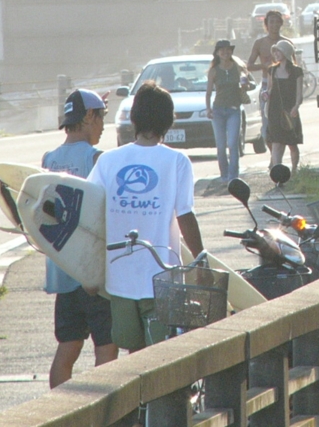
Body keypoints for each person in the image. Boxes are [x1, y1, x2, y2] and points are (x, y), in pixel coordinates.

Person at [87, 82, 204, 352]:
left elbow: (91, 214)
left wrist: (89, 269)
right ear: (169, 120)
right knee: (161, 357)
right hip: (163, 277)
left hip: (120, 275)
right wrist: (200, 261)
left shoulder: (108, 160)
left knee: (132, 354)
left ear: (133, 118)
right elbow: (185, 216)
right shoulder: (177, 161)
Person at [43, 89, 118, 387]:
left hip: (62, 271)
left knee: (68, 348)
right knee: (107, 349)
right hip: (93, 276)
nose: (103, 126)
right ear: (89, 117)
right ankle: (103, 416)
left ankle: (59, 415)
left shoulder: (48, 159)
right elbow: (103, 215)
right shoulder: (96, 158)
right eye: (101, 118)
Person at [205, 39, 249, 182]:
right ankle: (224, 175)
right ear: (217, 53)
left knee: (232, 143)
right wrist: (208, 109)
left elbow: (245, 83)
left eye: (228, 49)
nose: (225, 52)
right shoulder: (213, 70)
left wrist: (244, 85)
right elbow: (208, 92)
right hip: (218, 110)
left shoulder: (238, 67)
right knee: (221, 145)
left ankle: (233, 176)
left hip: (234, 110)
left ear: (231, 51)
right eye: (222, 50)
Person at [248, 10, 288, 151]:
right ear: (266, 24)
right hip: (266, 86)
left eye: (277, 22)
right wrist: (263, 66)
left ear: (281, 24)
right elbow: (249, 65)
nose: (274, 25)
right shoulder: (260, 43)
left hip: (283, 85)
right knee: (266, 126)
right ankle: (273, 155)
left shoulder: (286, 43)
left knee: (283, 124)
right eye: (271, 22)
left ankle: (278, 159)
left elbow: (295, 66)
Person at [266, 39, 304, 172]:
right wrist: (266, 95)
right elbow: (270, 89)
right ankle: (277, 174)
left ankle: (294, 170)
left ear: (286, 53)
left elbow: (299, 93)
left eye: (279, 51)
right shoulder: (272, 70)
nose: (276, 53)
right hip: (274, 110)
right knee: (276, 143)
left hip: (290, 110)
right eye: (275, 51)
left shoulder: (296, 71)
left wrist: (296, 106)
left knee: (292, 144)